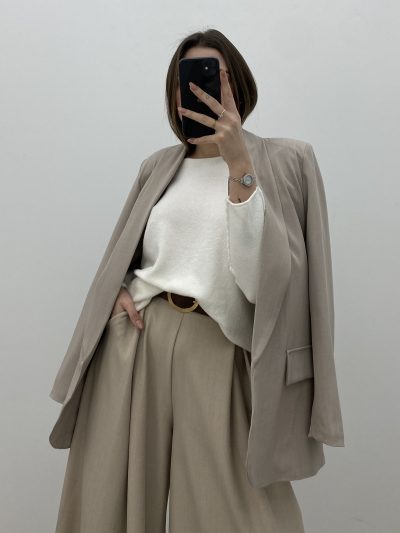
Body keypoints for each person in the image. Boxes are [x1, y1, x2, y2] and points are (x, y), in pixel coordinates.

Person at [51, 28, 343, 533]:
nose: (201, 89)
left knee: (243, 513)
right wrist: (118, 289)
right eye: (187, 80)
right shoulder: (158, 167)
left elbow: (270, 282)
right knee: (109, 503)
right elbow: (128, 251)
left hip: (222, 348)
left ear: (237, 83)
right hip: (137, 344)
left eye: (214, 75)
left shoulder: (288, 160)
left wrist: (239, 166)